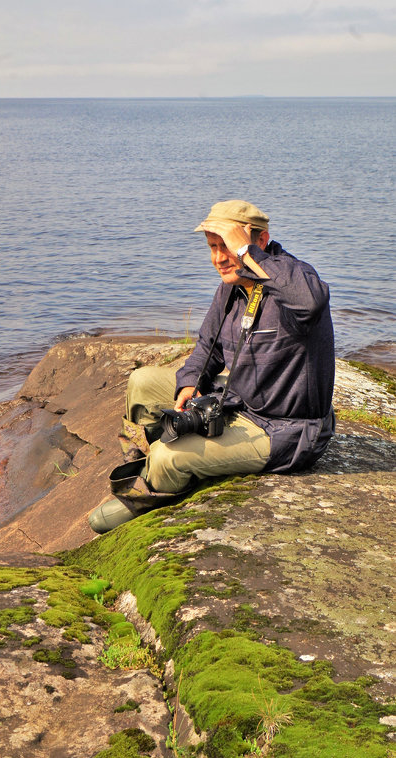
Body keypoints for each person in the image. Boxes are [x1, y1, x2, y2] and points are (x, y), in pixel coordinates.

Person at [89, 199, 335, 533]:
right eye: (213, 247)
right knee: (142, 382)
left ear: (260, 241)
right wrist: (190, 383)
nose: (218, 258)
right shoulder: (231, 289)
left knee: (168, 457)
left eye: (226, 247)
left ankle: (160, 491)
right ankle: (148, 461)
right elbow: (207, 346)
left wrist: (246, 252)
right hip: (236, 399)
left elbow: (311, 301)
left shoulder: (293, 277)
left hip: (284, 428)